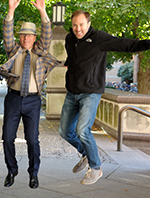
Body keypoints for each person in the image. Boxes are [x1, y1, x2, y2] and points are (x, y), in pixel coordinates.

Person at [59, 10, 150, 185]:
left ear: (88, 23)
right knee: (65, 132)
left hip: (91, 93)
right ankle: (86, 153)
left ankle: (96, 168)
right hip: (72, 92)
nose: (78, 29)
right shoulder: (69, 39)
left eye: (81, 25)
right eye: (75, 25)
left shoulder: (99, 38)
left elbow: (127, 45)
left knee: (82, 130)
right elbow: (73, 58)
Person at [0, 0, 59, 189]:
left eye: (30, 36)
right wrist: (11, 10)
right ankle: (11, 170)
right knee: (7, 138)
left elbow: (48, 34)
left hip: (33, 101)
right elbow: (7, 31)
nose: (26, 38)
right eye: (23, 35)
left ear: (34, 38)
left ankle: (34, 173)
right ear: (20, 37)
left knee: (32, 140)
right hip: (14, 99)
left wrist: (43, 11)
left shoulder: (40, 51)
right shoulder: (13, 50)